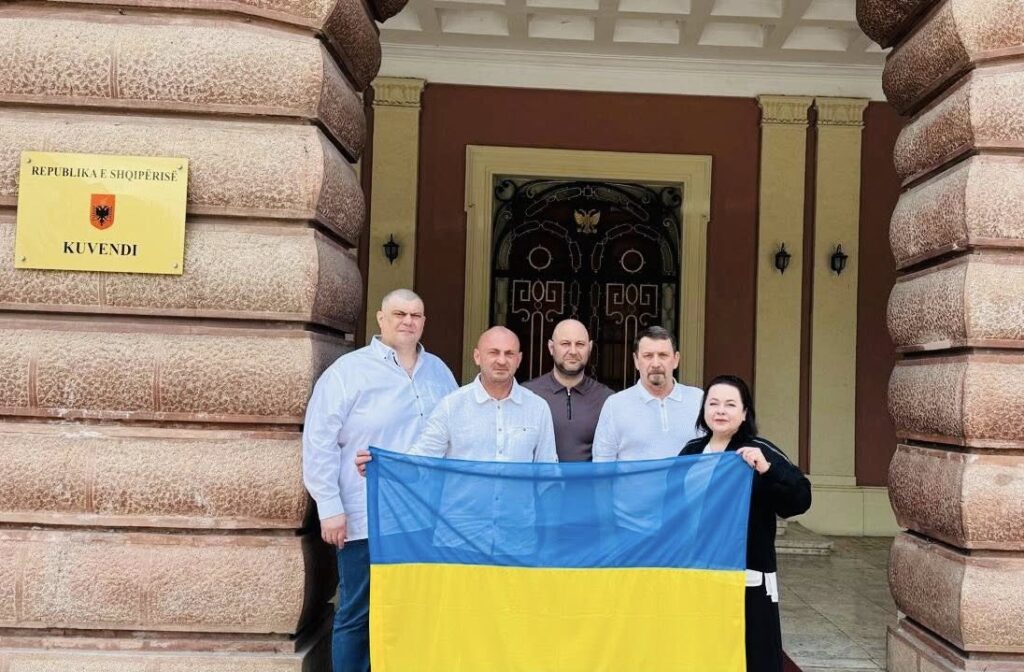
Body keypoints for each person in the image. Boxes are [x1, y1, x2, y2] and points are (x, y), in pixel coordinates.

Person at [302, 288, 457, 672]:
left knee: (412, 608)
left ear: (424, 322)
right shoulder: (348, 372)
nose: (408, 322)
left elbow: (455, 434)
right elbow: (319, 441)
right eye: (400, 314)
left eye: (416, 315)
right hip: (364, 514)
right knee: (359, 609)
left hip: (423, 517)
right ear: (381, 319)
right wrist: (330, 508)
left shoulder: (439, 372)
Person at [679, 375, 811, 672]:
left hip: (748, 573)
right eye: (713, 403)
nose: (720, 410)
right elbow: (671, 504)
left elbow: (800, 499)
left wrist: (767, 469)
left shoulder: (759, 450)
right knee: (705, 649)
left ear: (744, 412)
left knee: (753, 652)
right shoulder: (691, 452)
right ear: (703, 410)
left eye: (730, 404)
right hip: (699, 570)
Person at [592, 325, 703, 462]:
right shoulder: (615, 405)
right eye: (648, 356)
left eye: (663, 355)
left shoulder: (699, 400)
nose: (655, 364)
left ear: (676, 360)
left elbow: (715, 453)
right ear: (636, 361)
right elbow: (602, 466)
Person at [524, 319, 613, 462]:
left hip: (590, 477)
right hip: (542, 477)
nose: (573, 351)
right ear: (551, 347)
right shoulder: (527, 395)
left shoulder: (607, 399)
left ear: (590, 348)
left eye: (580, 344)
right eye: (565, 344)